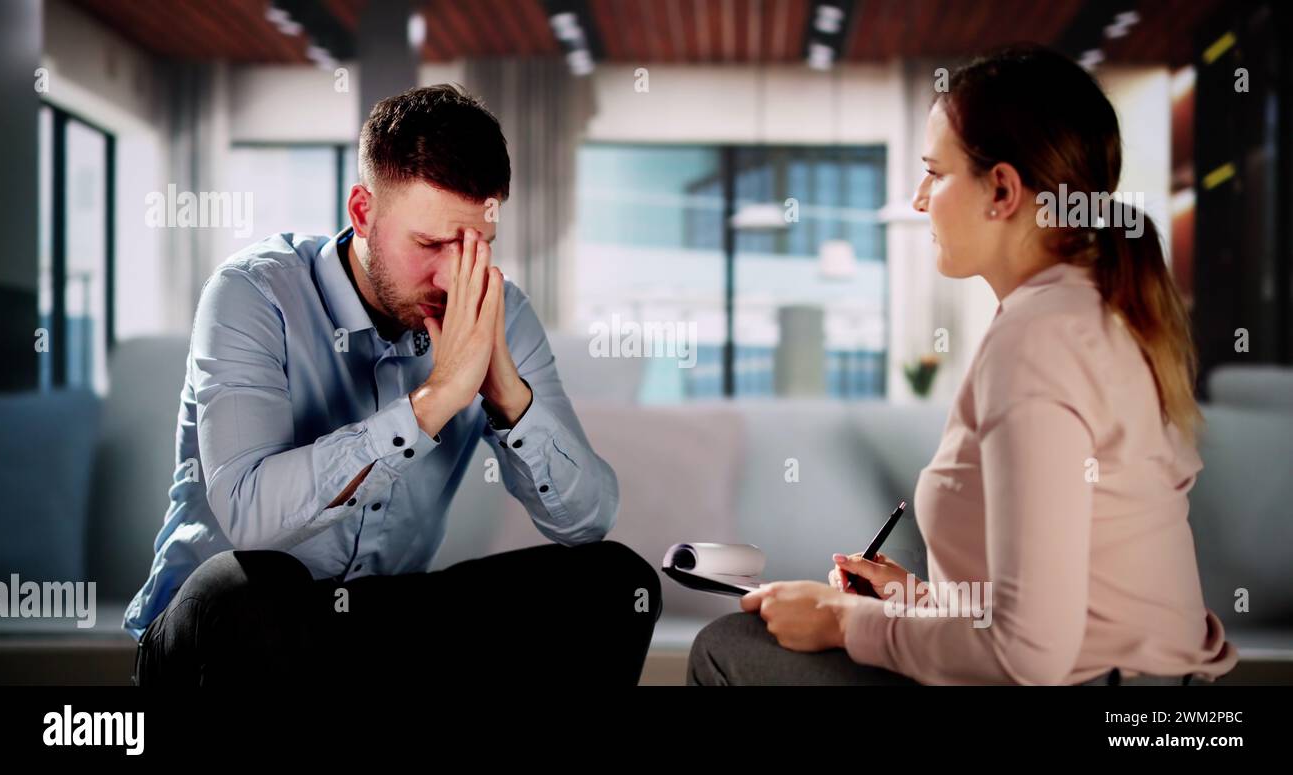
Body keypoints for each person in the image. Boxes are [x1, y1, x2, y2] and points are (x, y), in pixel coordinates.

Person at [688, 46, 1238, 686]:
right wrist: (917, 604)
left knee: (729, 646)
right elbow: (1064, 608)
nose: (920, 200)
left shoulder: (1038, 342)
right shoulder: (1099, 314)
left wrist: (843, 622)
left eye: (934, 173)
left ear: (1001, 189)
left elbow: (1029, 655)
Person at [126, 84, 661, 686]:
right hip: (218, 633)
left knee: (615, 584)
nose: (451, 275)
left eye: (476, 245)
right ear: (362, 212)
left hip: (368, 627)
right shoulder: (251, 294)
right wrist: (434, 402)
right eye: (430, 244)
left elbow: (587, 520)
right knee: (253, 589)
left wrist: (506, 392)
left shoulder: (498, 309)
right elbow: (252, 518)